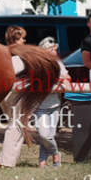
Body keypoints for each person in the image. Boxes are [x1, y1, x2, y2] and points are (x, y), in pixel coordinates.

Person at [0, 25, 30, 169]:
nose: (24, 40)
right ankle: (6, 162)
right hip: (16, 92)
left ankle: (1, 160)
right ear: (17, 38)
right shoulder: (20, 55)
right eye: (22, 38)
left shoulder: (2, 52)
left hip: (4, 93)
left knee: (14, 126)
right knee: (16, 127)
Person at [34, 36, 70, 168]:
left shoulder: (58, 63)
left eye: (55, 49)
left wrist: (60, 80)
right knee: (45, 135)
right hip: (39, 106)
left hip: (55, 105)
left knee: (50, 136)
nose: (54, 52)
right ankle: (55, 154)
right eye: (50, 49)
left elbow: (67, 77)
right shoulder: (37, 64)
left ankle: (42, 161)